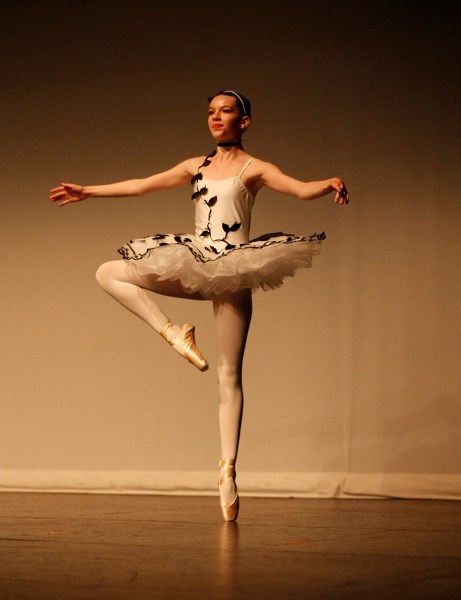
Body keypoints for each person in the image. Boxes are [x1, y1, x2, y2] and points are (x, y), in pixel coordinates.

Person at [50, 90, 349, 522]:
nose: (216, 118)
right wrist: (89, 192)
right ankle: (174, 332)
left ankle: (227, 472)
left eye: (225, 111)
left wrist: (328, 183)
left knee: (229, 374)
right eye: (211, 112)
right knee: (108, 272)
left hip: (234, 268)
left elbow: (300, 190)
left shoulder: (255, 168)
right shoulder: (197, 166)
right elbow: (142, 185)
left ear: (243, 121)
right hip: (194, 260)